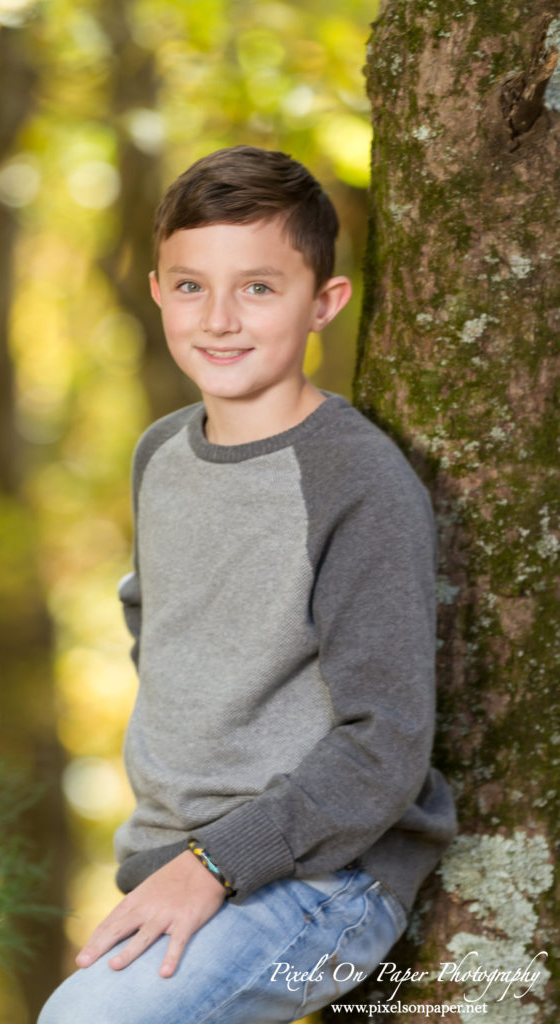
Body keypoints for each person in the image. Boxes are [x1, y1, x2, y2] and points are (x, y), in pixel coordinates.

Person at [38, 145, 456, 1024]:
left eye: (259, 288)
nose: (220, 318)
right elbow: (153, 617)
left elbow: (386, 743)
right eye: (191, 286)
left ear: (322, 304)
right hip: (178, 866)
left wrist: (216, 863)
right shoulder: (162, 453)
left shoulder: (358, 483)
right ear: (156, 291)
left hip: (324, 882)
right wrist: (188, 861)